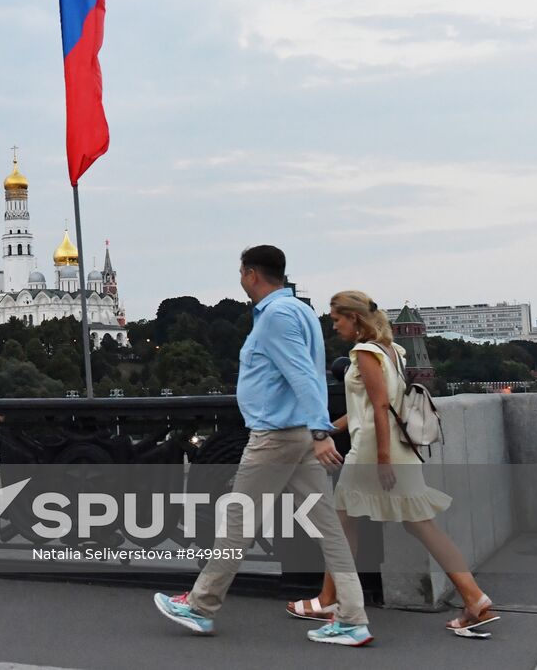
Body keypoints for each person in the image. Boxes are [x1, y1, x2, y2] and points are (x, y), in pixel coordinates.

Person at [154, 245, 373, 647]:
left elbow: (303, 376)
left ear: (252, 274)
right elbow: (311, 374)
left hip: (276, 437)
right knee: (329, 530)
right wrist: (315, 431)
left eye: (241, 272)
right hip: (299, 436)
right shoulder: (301, 311)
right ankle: (353, 618)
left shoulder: (275, 316)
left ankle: (201, 606)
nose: (240, 279)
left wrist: (321, 431)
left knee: (236, 523)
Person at [286, 290, 498, 635]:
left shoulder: (365, 352)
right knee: (420, 525)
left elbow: (380, 407)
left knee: (342, 525)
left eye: (337, 318)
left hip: (373, 453)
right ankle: (474, 598)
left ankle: (328, 598)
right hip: (398, 450)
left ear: (354, 319)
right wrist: (325, 430)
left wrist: (381, 459)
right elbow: (368, 410)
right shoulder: (393, 351)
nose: (334, 325)